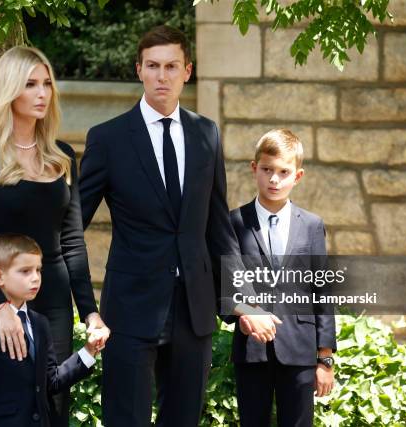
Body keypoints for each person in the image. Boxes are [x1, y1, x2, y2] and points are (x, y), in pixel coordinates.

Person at [79, 25, 277, 427]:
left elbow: (218, 227)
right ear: (139, 70)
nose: (162, 76)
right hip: (131, 309)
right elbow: (71, 228)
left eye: (171, 66)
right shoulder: (108, 139)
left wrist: (243, 298)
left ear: (187, 71)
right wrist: (84, 307)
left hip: (194, 310)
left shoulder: (207, 134)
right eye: (153, 66)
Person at [0, 46, 109, 426]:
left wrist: (88, 310)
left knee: (53, 402)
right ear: (10, 90)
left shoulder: (62, 156)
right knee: (5, 402)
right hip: (1, 298)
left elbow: (72, 241)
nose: (43, 93)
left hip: (53, 298)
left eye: (47, 84)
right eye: (30, 85)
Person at [229, 129, 337, 427]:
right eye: (266, 170)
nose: (274, 179)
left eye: (283, 172)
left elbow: (322, 292)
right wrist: (246, 312)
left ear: (297, 176)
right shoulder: (234, 222)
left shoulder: (312, 226)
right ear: (255, 169)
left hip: (300, 349)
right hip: (252, 350)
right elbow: (224, 286)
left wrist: (325, 358)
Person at [0, 233, 103, 427]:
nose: (36, 278)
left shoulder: (40, 324)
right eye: (25, 271)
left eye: (38, 270)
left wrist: (88, 352)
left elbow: (51, 381)